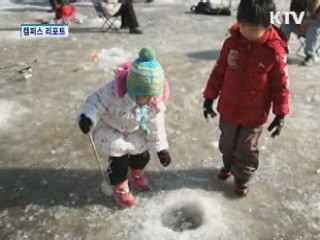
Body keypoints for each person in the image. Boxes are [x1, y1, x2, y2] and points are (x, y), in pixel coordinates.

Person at [203, 0, 290, 196]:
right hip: (228, 108)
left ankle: (241, 178)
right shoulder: (231, 43)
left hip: (254, 114)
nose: (246, 32)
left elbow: (281, 85)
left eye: (253, 29)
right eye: (242, 26)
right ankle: (227, 165)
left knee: (246, 148)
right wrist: (209, 98)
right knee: (227, 143)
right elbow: (219, 72)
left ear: (266, 26)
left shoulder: (274, 51)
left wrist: (280, 113)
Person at [78, 48, 171, 207]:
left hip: (136, 130)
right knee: (119, 162)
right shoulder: (112, 92)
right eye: (146, 96)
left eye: (153, 96)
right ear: (134, 89)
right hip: (112, 129)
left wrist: (162, 148)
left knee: (142, 156)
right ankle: (119, 185)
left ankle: (136, 171)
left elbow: (156, 126)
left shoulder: (152, 103)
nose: (150, 100)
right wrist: (88, 117)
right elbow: (95, 103)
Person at [281, 0, 320, 66]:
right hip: (300, 26)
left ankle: (309, 56)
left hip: (314, 30)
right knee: (287, 22)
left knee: (314, 27)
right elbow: (293, 13)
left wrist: (307, 22)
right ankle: (281, 48)